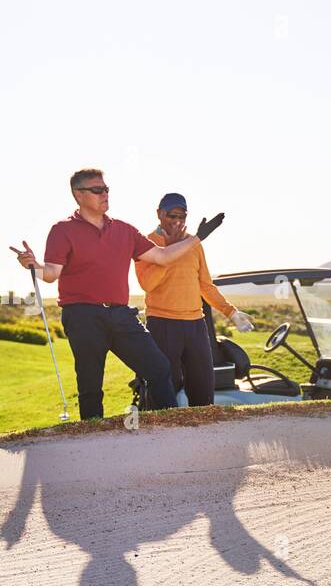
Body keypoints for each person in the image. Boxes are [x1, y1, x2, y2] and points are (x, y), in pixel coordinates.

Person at [10, 168, 208, 420]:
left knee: (158, 368)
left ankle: (168, 427)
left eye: (106, 189)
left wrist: (198, 238)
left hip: (120, 314)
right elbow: (50, 273)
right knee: (91, 385)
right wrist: (33, 265)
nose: (104, 194)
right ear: (78, 195)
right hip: (82, 315)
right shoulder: (62, 230)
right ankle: (93, 445)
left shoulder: (124, 230)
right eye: (97, 190)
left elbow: (161, 256)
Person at [134, 194, 252, 407]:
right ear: (159, 213)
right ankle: (162, 437)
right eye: (172, 215)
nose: (177, 221)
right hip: (163, 324)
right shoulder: (146, 243)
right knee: (165, 390)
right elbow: (147, 284)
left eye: (182, 216)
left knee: (203, 388)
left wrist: (231, 312)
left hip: (196, 325)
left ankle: (202, 437)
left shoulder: (194, 245)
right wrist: (169, 251)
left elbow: (205, 285)